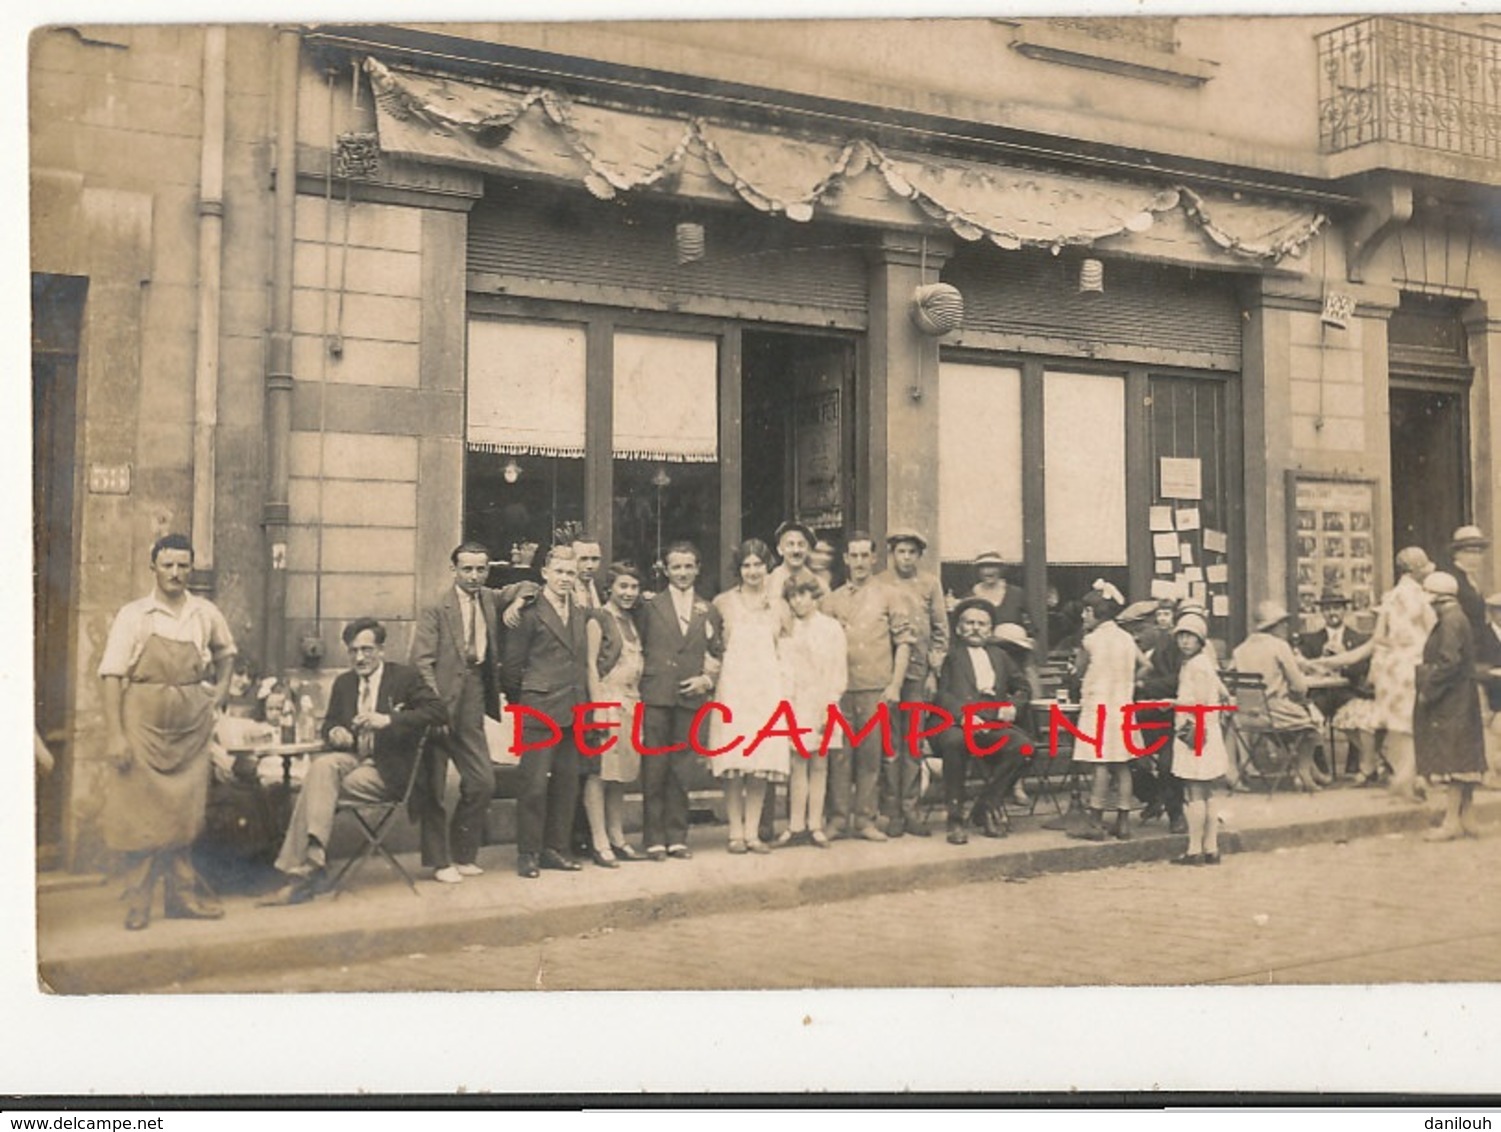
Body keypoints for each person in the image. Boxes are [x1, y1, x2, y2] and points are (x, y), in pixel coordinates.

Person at [98, 534, 237, 930]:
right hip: (141, 727)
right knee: (141, 815)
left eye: (183, 566)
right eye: (168, 565)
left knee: (184, 816)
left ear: (191, 568)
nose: (176, 573)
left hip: (191, 729)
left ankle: (182, 897)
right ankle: (139, 901)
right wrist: (115, 735)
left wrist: (220, 694)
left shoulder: (204, 613)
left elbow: (227, 652)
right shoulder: (134, 615)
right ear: (153, 567)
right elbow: (111, 674)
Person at [262, 618, 445, 904]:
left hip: (389, 772)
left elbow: (438, 711)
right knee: (322, 768)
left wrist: (388, 719)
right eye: (353, 651)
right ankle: (312, 863)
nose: (360, 657)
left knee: (318, 785)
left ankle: (303, 874)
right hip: (353, 758)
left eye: (367, 650)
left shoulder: (403, 678)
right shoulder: (344, 683)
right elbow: (330, 723)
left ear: (381, 650)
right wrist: (336, 731)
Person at [411, 542, 536, 883]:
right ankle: (439, 862)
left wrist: (521, 601)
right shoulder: (436, 607)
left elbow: (528, 584)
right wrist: (433, 707)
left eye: (481, 569)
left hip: (474, 697)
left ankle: (463, 853)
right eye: (467, 569)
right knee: (434, 787)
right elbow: (421, 662)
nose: (474, 576)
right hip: (438, 702)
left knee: (482, 781)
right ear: (454, 570)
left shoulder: (489, 599)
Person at [502, 545, 591, 878]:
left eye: (570, 573)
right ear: (545, 574)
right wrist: (527, 700)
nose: (566, 579)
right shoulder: (528, 611)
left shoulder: (580, 611)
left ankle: (556, 848)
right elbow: (512, 668)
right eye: (560, 572)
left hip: (573, 706)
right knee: (534, 784)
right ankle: (528, 852)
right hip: (539, 707)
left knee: (568, 782)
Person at [1322, 547, 1436, 804]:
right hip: (1415, 670)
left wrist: (1326, 661)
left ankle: (1406, 777)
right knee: (1415, 726)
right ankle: (1406, 778)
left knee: (1399, 727)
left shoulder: (1390, 599)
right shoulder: (1425, 599)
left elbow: (1373, 644)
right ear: (1417, 571)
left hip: (1390, 673)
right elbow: (1433, 636)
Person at [822, 532, 914, 841]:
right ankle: (837, 819)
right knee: (840, 756)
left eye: (865, 556)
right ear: (845, 559)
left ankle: (865, 820)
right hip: (840, 689)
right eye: (854, 556)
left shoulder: (891, 595)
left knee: (871, 757)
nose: (860, 562)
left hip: (876, 688)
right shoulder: (831, 600)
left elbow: (903, 644)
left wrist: (895, 685)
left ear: (874, 559)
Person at [637, 540, 723, 861]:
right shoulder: (650, 606)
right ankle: (654, 838)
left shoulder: (708, 609)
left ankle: (677, 837)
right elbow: (640, 647)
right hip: (657, 696)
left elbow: (717, 652)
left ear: (697, 569)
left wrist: (706, 680)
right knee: (655, 767)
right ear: (666, 569)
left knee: (681, 768)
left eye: (689, 566)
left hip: (690, 699)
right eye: (676, 566)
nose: (683, 573)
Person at [709, 539, 792, 853]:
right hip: (734, 690)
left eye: (758, 564)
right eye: (746, 565)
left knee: (759, 763)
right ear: (738, 569)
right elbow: (715, 649)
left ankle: (753, 832)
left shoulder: (780, 606)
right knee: (734, 762)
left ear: (767, 566)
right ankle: (735, 832)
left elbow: (786, 651)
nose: (753, 571)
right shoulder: (723, 603)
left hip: (766, 690)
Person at [934, 598, 1033, 844]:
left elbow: (1023, 687)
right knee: (955, 742)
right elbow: (941, 693)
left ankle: (987, 804)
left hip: (991, 722)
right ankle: (955, 818)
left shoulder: (1000, 656)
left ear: (990, 630)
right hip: (955, 722)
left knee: (1024, 746)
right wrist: (964, 715)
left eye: (982, 624)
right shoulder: (949, 656)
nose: (975, 628)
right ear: (958, 628)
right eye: (969, 623)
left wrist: (1013, 706)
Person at [881, 529, 948, 836]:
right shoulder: (880, 584)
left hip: (918, 675)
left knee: (912, 743)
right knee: (889, 743)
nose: (905, 557)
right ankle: (891, 810)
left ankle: (911, 809)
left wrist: (933, 671)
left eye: (911, 552)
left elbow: (939, 632)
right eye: (900, 552)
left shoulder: (929, 584)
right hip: (887, 675)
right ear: (892, 554)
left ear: (919, 556)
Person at [581, 562, 647, 866]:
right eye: (623, 586)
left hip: (631, 703)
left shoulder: (632, 621)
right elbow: (590, 665)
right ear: (610, 589)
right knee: (599, 773)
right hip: (607, 701)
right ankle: (599, 841)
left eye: (634, 587)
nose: (629, 593)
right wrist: (596, 710)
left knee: (620, 775)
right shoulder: (599, 619)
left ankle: (618, 836)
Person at [1414, 572, 1487, 841]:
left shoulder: (1450, 622)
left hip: (1451, 698)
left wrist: (1427, 691)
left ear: (1436, 597)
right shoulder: (1458, 618)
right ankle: (1467, 817)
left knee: (1453, 757)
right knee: (1464, 756)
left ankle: (1452, 820)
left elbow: (1448, 662)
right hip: (1461, 696)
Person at [1069, 581, 1143, 841]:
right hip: (1122, 707)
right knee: (1121, 764)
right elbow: (1145, 665)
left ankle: (1095, 820)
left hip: (1099, 707)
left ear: (1095, 613)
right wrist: (1131, 682)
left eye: (1086, 611)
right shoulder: (1126, 638)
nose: (1082, 616)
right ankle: (1123, 822)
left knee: (1100, 764)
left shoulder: (1090, 641)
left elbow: (1077, 672)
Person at [776, 575, 847, 848]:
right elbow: (785, 669)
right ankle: (795, 825)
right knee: (797, 764)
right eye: (793, 596)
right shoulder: (788, 628)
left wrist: (830, 703)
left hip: (823, 700)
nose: (798, 601)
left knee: (820, 763)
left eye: (803, 595)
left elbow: (838, 668)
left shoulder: (830, 628)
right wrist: (787, 704)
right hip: (796, 702)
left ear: (814, 596)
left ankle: (815, 825)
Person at [1231, 600, 1324, 793]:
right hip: (1274, 713)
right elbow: (1300, 687)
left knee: (1295, 726)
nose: (1286, 627)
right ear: (1274, 625)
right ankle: (1304, 772)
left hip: (1246, 716)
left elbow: (1233, 680)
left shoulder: (1240, 650)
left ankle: (1309, 772)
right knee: (1313, 724)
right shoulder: (1279, 646)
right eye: (1283, 623)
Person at [1168, 613, 1232, 866]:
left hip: (1196, 732)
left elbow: (1201, 703)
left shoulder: (1197, 665)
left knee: (1195, 789)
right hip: (1206, 731)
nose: (1184, 641)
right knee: (1207, 790)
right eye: (1181, 636)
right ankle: (1211, 848)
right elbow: (1222, 691)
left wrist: (1173, 703)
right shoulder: (1203, 663)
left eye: (1190, 637)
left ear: (1200, 639)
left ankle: (1195, 849)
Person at [1298, 588, 1376, 781]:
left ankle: (1356, 764)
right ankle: (1320, 767)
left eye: (1337, 608)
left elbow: (1363, 670)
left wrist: (1344, 658)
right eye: (1328, 609)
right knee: (1311, 716)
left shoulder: (1358, 638)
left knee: (1356, 714)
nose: (1332, 613)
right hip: (1321, 693)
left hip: (1346, 691)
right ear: (1322, 613)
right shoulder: (1310, 639)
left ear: (1344, 611)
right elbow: (1304, 668)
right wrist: (1321, 660)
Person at [967, 551, 1030, 630]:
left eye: (993, 566)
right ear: (977, 571)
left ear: (1001, 569)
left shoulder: (1017, 594)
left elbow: (1030, 624)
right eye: (983, 567)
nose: (988, 571)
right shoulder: (970, 597)